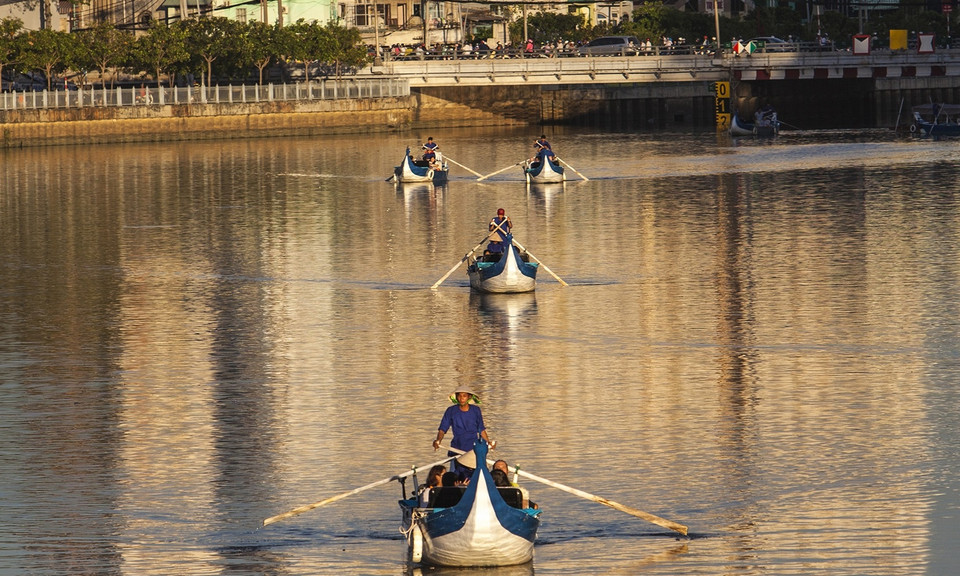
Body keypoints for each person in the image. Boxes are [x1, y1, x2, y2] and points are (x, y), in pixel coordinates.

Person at [434, 387, 492, 480]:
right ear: (456, 397)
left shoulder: (476, 410)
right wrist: (438, 440)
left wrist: (488, 442)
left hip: (473, 449)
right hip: (457, 448)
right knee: (455, 476)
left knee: (475, 476)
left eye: (464, 396)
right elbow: (442, 429)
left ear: (469, 397)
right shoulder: (451, 411)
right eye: (459, 396)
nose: (461, 398)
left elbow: (481, 429)